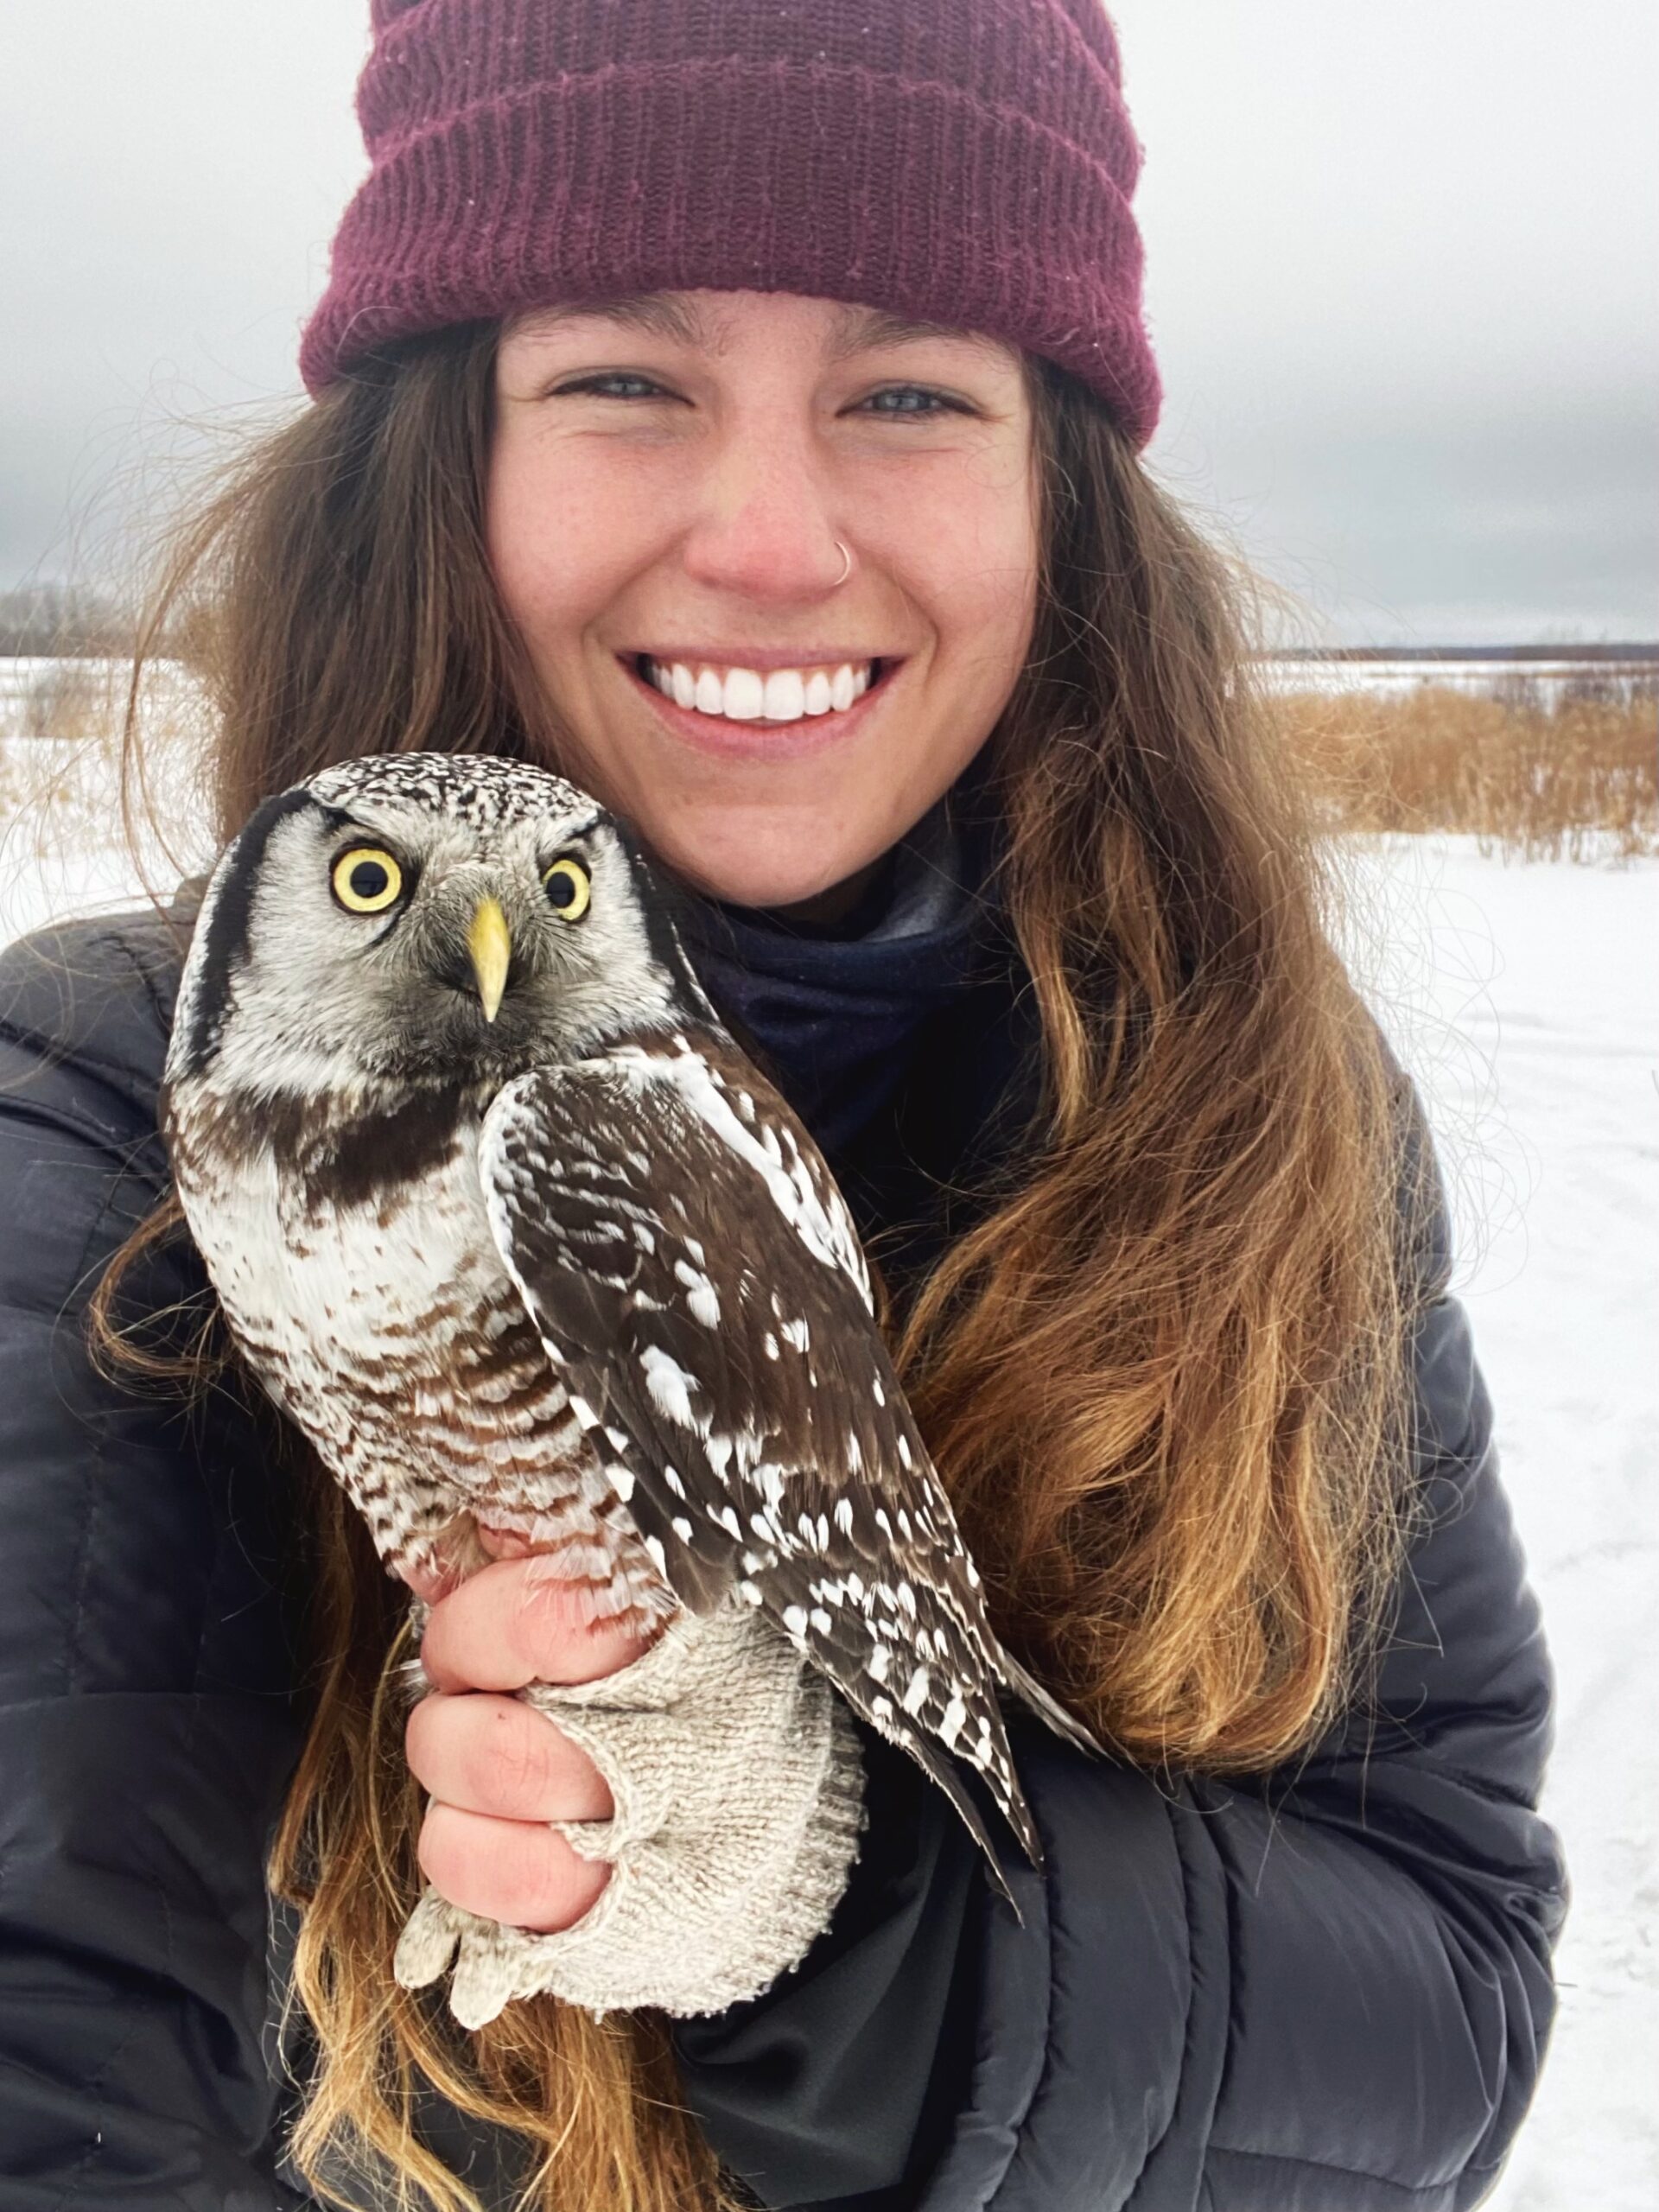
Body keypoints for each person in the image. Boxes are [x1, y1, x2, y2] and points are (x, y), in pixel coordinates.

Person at [0, 3, 1567, 2208]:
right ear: (437, 464)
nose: (766, 537)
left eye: (910, 392)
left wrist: (866, 1920)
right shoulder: (89, 1108)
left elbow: (1453, 1991)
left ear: (1063, 498)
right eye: (627, 383)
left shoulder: (1261, 1104)